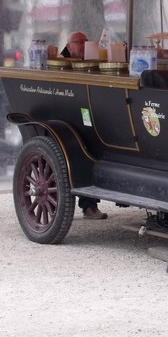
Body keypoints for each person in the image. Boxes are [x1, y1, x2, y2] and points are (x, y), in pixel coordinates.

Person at [60, 30, 108, 220]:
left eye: (86, 42)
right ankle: (88, 205)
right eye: (79, 42)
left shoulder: (91, 61)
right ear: (69, 46)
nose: (83, 45)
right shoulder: (61, 63)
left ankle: (90, 204)